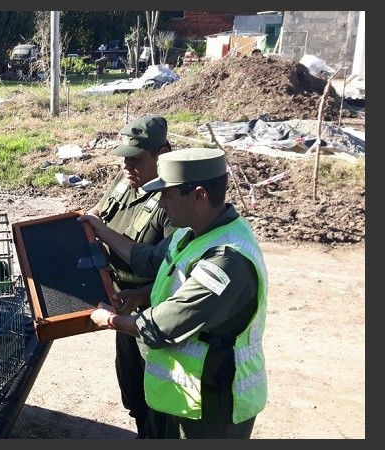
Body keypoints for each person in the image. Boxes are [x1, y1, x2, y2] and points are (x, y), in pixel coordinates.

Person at [80, 147, 268, 439]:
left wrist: (108, 319)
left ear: (200, 195)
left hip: (213, 403)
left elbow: (163, 325)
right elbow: (155, 261)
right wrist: (140, 294)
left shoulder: (227, 259)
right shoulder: (190, 232)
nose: (161, 203)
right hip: (182, 394)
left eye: (167, 194)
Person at [82, 114, 175, 438]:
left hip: (154, 309)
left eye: (135, 159)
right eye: (124, 158)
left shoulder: (173, 199)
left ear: (161, 154)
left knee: (159, 401)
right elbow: (99, 213)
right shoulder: (125, 181)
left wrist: (103, 231)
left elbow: (168, 270)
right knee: (133, 393)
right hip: (122, 303)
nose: (126, 166)